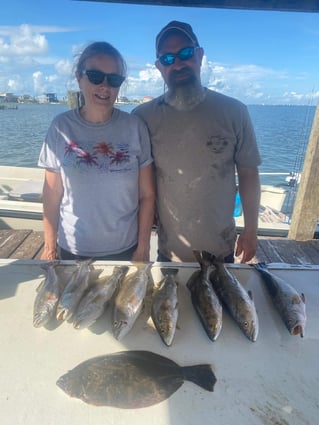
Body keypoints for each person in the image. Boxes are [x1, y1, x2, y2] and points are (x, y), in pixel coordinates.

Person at [133, 21, 261, 263]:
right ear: (159, 67)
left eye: (185, 53)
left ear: (200, 55)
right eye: (168, 59)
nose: (178, 63)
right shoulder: (142, 117)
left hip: (220, 252)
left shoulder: (235, 111)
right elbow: (137, 181)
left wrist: (251, 229)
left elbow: (248, 172)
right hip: (168, 253)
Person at [38, 41, 155, 261]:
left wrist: (143, 247)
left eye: (114, 79)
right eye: (95, 76)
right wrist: (50, 247)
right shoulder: (60, 127)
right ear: (78, 77)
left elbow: (147, 195)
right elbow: (52, 195)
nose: (105, 86)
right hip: (71, 250)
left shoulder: (135, 127)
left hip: (126, 249)